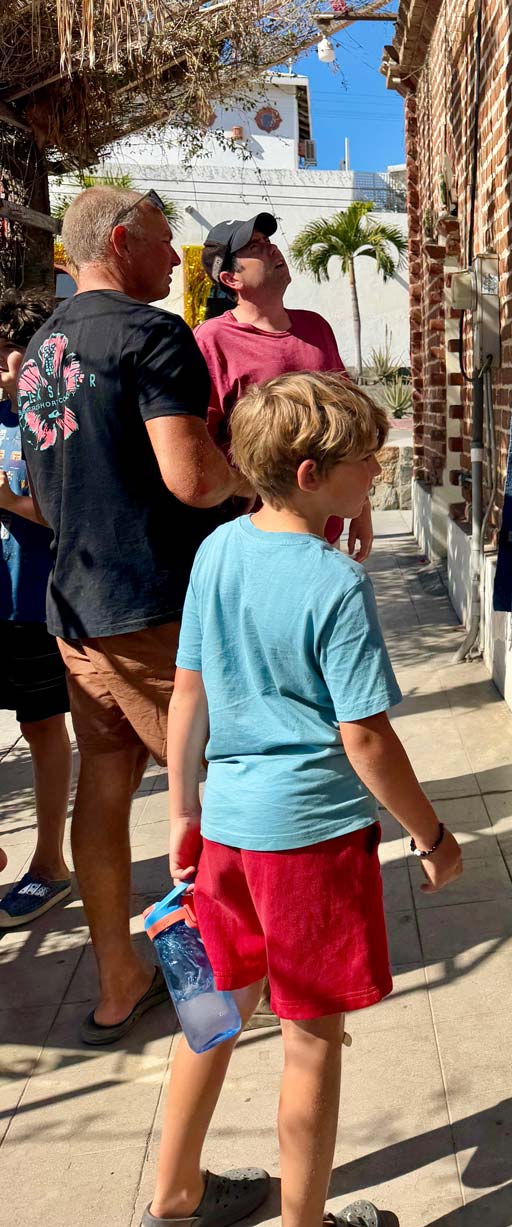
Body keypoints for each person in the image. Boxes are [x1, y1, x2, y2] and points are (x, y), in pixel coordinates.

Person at [142, 371, 462, 1227]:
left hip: (228, 837)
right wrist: (430, 834)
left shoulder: (217, 550)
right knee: (311, 1040)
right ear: (313, 473)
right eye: (367, 461)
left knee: (212, 1016)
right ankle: (303, 1222)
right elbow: (365, 739)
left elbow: (187, 696)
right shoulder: (335, 583)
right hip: (312, 842)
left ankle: (173, 1192)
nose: (379, 473)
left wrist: (183, 812)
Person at [19, 186, 253, 1044]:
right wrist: (251, 477)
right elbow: (191, 477)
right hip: (154, 608)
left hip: (75, 608)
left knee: (106, 786)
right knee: (224, 783)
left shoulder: (41, 350)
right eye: (162, 243)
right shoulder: (154, 336)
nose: (174, 259)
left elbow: (37, 498)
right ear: (120, 242)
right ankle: (230, 970)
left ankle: (121, 979)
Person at [194, 213, 375, 561]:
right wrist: (240, 483)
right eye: (255, 247)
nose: (272, 248)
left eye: (269, 241)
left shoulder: (316, 327)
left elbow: (350, 425)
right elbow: (202, 437)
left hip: (325, 531)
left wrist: (362, 507)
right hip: (257, 539)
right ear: (231, 278)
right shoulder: (212, 339)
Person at [0, 290, 73, 927]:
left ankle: (49, 865)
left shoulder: (49, 421)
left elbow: (72, 516)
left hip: (33, 605)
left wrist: (7, 498)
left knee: (45, 728)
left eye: (9, 354)